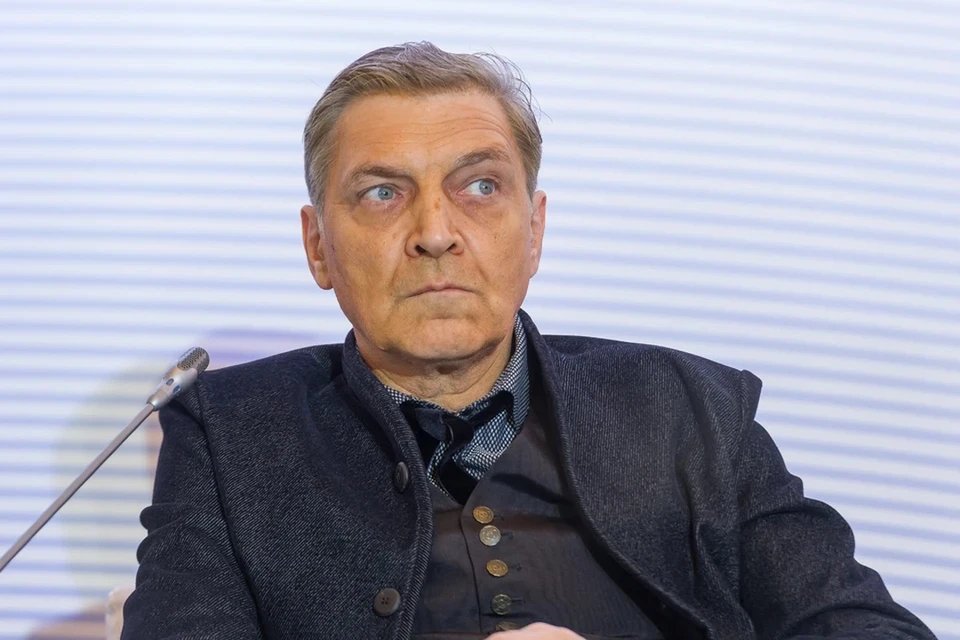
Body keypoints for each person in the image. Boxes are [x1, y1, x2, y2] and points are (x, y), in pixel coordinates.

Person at [121, 42, 936, 640]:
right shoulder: (228, 433)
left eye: (480, 186)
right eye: (381, 193)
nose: (435, 232)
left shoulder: (691, 411)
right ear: (317, 248)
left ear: (535, 230)